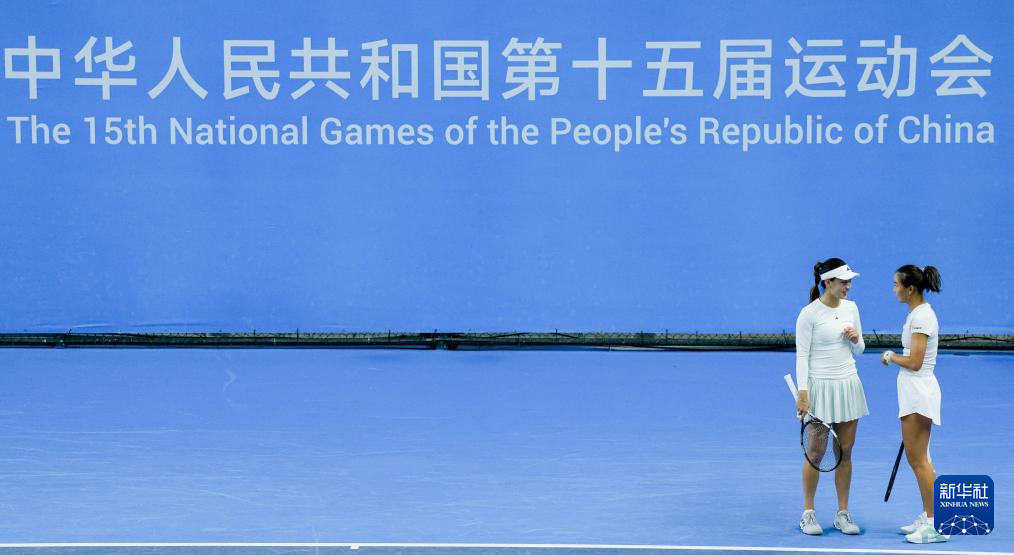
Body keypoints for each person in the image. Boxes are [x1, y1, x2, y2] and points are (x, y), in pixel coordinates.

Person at [794, 258, 868, 536]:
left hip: (847, 385)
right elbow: (802, 356)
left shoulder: (852, 308)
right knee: (815, 453)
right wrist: (803, 393)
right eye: (844, 282)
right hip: (819, 389)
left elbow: (860, 349)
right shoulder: (809, 314)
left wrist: (855, 339)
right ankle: (808, 513)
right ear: (828, 282)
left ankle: (842, 514)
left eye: (850, 282)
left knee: (845, 452)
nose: (848, 287)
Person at [880, 265, 947, 544]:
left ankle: (934, 524)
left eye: (896, 284)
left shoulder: (922, 317)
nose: (893, 289)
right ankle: (928, 515)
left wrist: (891, 357)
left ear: (910, 289)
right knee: (920, 459)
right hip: (912, 392)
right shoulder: (916, 314)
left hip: (919, 392)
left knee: (918, 461)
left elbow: (916, 362)